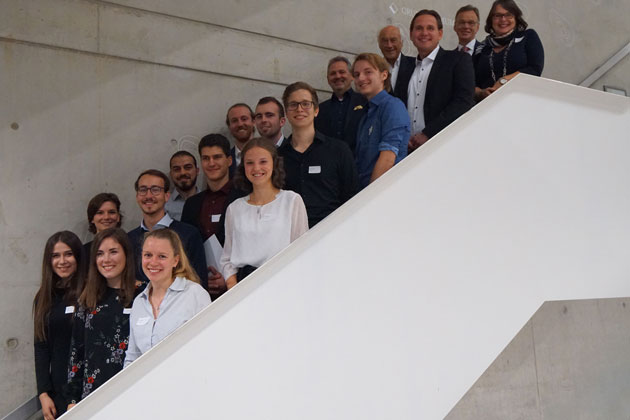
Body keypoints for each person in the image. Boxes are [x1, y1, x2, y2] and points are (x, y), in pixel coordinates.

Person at [221, 138, 309, 289]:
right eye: (250, 163)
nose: (256, 168)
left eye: (263, 162)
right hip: (243, 287)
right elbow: (227, 258)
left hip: (283, 282)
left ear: (274, 164)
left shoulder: (291, 201)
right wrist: (233, 288)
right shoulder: (234, 208)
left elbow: (302, 249)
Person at [65, 228, 138, 409]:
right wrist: (72, 400)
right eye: (100, 254)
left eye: (113, 252)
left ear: (127, 254)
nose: (106, 259)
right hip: (94, 397)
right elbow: (77, 352)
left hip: (134, 391)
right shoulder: (88, 298)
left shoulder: (144, 295)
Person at [124, 229, 211, 367]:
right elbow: (132, 357)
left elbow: (208, 347)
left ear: (175, 260)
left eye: (162, 256)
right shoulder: (139, 302)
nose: (153, 262)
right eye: (148, 255)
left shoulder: (195, 295)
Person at [279, 82, 358, 227]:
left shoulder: (339, 150)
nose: (299, 109)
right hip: (290, 238)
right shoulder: (278, 157)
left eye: (305, 104)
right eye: (293, 104)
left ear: (316, 110)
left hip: (330, 234)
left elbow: (352, 197)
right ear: (286, 113)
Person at [397, 9, 475, 152]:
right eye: (419, 28)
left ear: (440, 34)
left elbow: (463, 102)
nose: (424, 33)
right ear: (411, 34)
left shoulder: (457, 60)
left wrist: (428, 133)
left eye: (430, 28)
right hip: (406, 150)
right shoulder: (406, 68)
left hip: (441, 148)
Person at [181, 134, 245, 300]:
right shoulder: (191, 204)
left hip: (239, 287)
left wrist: (230, 278)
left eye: (217, 157)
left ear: (229, 161)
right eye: (206, 158)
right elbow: (185, 249)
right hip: (200, 291)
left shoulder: (244, 198)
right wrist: (201, 280)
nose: (211, 163)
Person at [33, 231, 84, 420]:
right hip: (58, 391)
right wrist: (43, 393)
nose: (62, 261)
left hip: (87, 385)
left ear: (78, 256)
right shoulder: (44, 297)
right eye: (56, 256)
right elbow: (41, 346)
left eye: (68, 254)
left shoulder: (91, 292)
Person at [127, 169, 207, 289]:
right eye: (143, 190)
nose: (149, 196)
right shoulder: (128, 239)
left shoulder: (188, 234)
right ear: (137, 196)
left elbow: (199, 282)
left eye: (155, 190)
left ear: (167, 196)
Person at [353, 53, 411, 189]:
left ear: (384, 75)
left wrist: (368, 197)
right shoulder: (366, 113)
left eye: (368, 72)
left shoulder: (392, 106)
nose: (361, 78)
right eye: (356, 75)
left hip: (383, 193)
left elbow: (388, 158)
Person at [474, 0, 544, 101]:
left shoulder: (528, 36)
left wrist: (504, 80)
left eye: (508, 15)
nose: (503, 19)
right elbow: (471, 82)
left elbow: (535, 69)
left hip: (521, 102)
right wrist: (481, 93)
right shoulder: (482, 48)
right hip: (487, 106)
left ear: (516, 18)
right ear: (491, 20)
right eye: (497, 15)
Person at [314, 57, 367, 153]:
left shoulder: (365, 102)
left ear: (351, 76)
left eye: (342, 72)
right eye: (333, 73)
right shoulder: (320, 110)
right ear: (328, 79)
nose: (338, 76)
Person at [377, 25, 416, 101]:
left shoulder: (416, 65)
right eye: (385, 41)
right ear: (379, 45)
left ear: (401, 43)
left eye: (393, 40)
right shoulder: (374, 68)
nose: (389, 45)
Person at [84, 193, 123, 261]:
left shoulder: (129, 246)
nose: (106, 217)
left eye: (111, 212)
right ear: (92, 218)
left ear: (118, 217)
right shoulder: (83, 252)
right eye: (100, 213)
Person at [165, 151, 200, 221]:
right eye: (177, 169)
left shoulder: (208, 202)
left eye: (188, 167)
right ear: (171, 174)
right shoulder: (163, 205)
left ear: (197, 171)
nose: (183, 173)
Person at [226, 103, 256, 176]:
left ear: (253, 122)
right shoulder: (225, 161)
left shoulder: (268, 154)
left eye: (244, 119)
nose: (240, 124)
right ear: (229, 127)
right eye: (234, 120)